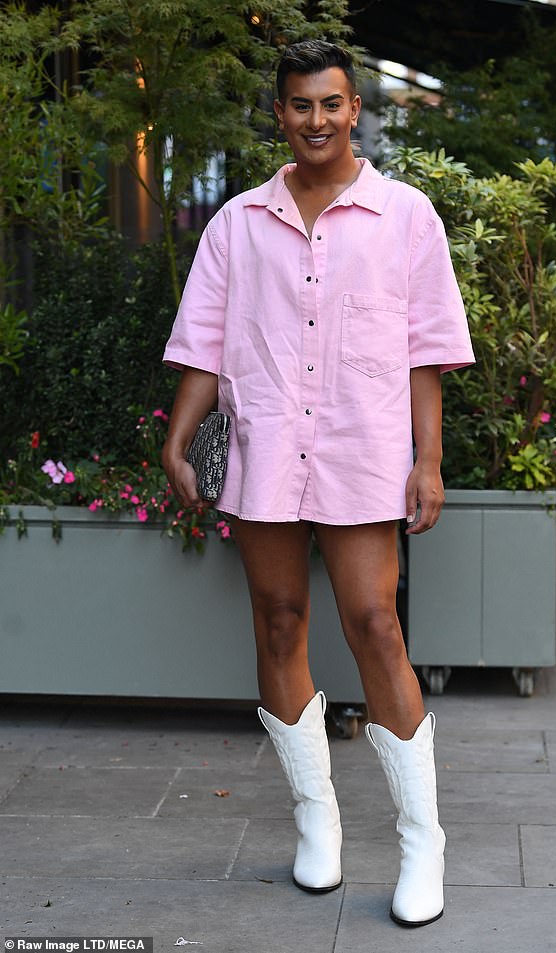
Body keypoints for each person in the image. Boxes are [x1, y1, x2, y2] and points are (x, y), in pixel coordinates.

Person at [162, 40, 474, 928]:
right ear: (280, 114)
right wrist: (179, 439)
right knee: (279, 619)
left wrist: (429, 459)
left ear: (354, 109)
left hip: (361, 454)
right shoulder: (237, 223)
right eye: (300, 105)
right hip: (266, 447)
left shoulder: (406, 217)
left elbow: (426, 356)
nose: (316, 120)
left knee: (375, 623)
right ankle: (318, 821)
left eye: (331, 104)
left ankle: (423, 842)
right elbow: (204, 346)